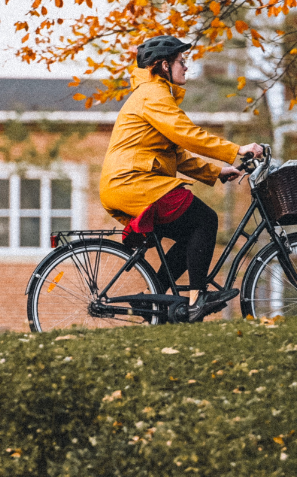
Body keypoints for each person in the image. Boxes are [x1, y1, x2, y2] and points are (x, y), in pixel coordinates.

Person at [98, 35, 265, 322]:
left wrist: (215, 171)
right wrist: (237, 149)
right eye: (181, 62)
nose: (186, 68)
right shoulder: (153, 94)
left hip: (134, 183)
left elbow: (176, 153)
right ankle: (199, 298)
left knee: (190, 234)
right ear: (164, 65)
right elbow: (187, 134)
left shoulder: (155, 93)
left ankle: (159, 299)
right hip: (133, 183)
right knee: (205, 219)